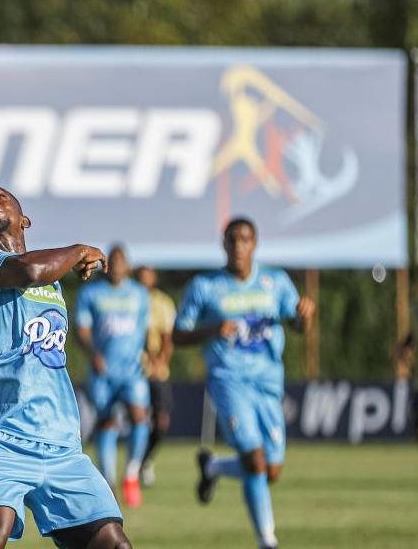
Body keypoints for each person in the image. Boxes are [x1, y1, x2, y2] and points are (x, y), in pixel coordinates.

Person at [0, 185, 131, 549]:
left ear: (25, 219)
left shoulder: (54, 284)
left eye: (0, 197)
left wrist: (67, 260)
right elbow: (29, 269)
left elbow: (39, 272)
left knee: (113, 544)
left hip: (60, 441)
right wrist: (80, 250)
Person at [173, 217, 315, 549]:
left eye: (245, 239)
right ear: (223, 244)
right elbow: (177, 335)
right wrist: (212, 329)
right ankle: (267, 540)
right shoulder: (205, 286)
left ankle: (215, 466)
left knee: (272, 470)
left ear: (255, 244)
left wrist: (305, 316)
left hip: (267, 382)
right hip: (229, 381)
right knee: (254, 460)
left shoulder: (275, 281)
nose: (238, 245)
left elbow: (296, 324)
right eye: (232, 239)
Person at [74, 245, 151, 508]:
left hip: (132, 370)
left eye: (122, 261)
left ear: (127, 265)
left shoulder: (139, 294)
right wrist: (93, 353)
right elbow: (81, 329)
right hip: (103, 370)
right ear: (107, 265)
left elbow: (144, 329)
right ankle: (109, 480)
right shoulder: (91, 292)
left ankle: (131, 472)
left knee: (139, 414)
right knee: (107, 422)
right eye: (113, 261)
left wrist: (150, 354)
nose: (117, 266)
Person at [135, 265, 176, 487]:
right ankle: (129, 470)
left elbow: (168, 339)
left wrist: (160, 362)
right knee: (137, 419)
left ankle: (145, 460)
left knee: (161, 422)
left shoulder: (163, 303)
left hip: (157, 372)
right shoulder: (129, 299)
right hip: (134, 371)